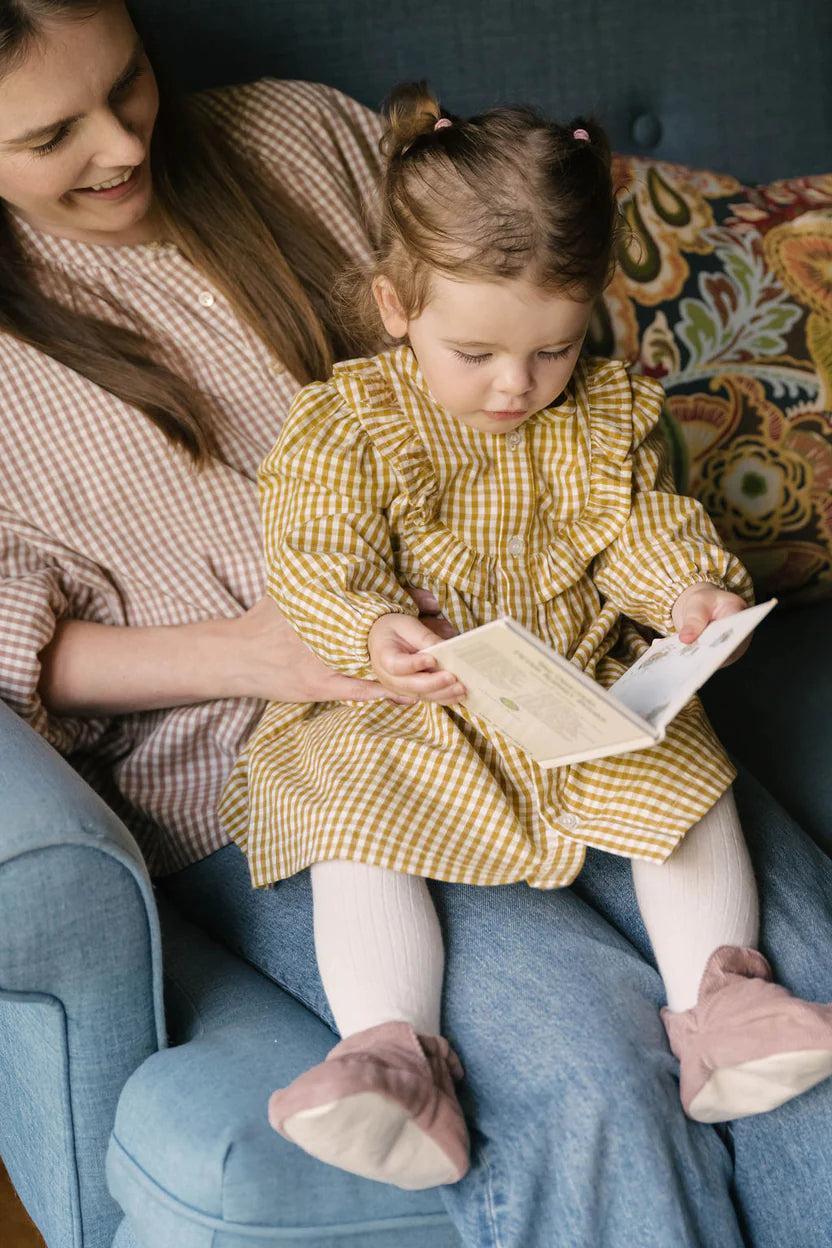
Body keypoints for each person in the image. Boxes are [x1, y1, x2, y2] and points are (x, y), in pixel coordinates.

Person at [0, 2, 831, 1245]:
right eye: (51, 134)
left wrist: (675, 595)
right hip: (294, 756)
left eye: (128, 86)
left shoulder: (294, 137)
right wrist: (265, 648)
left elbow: (523, 318)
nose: (123, 146)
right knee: (586, 1074)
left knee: (804, 991)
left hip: (555, 679)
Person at [219, 83, 832, 1189]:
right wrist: (373, 627)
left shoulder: (605, 413)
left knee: (680, 773)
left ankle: (720, 1002)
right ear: (396, 304)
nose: (516, 386)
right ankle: (391, 1055)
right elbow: (314, 555)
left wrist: (690, 594)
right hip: (414, 706)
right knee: (348, 814)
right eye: (478, 353)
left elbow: (641, 526)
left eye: (551, 350)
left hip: (571, 684)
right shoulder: (348, 421)